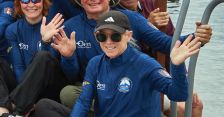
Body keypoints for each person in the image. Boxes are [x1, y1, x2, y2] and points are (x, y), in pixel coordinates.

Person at [53, 0, 213, 109]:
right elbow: (72, 76)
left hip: (131, 86)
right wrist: (68, 56)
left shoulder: (132, 19)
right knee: (68, 94)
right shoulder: (71, 27)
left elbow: (166, 44)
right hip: (97, 89)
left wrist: (197, 36)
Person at [70, 11, 199, 117]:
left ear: (128, 35)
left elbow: (178, 94)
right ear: (96, 36)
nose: (108, 42)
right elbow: (83, 101)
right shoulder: (95, 64)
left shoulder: (147, 65)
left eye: (115, 36)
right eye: (102, 37)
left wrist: (177, 65)